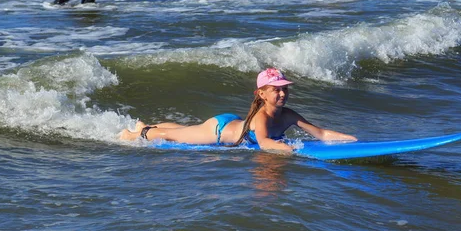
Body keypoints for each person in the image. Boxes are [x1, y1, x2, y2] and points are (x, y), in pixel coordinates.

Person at [119, 68, 357, 152]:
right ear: (262, 94)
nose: (282, 93)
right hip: (219, 130)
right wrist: (290, 149)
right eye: (276, 90)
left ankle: (145, 125)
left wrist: (352, 141)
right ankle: (133, 134)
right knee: (173, 135)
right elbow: (265, 143)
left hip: (235, 123)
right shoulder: (263, 117)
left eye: (284, 89)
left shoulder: (289, 115)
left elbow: (322, 134)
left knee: (185, 129)